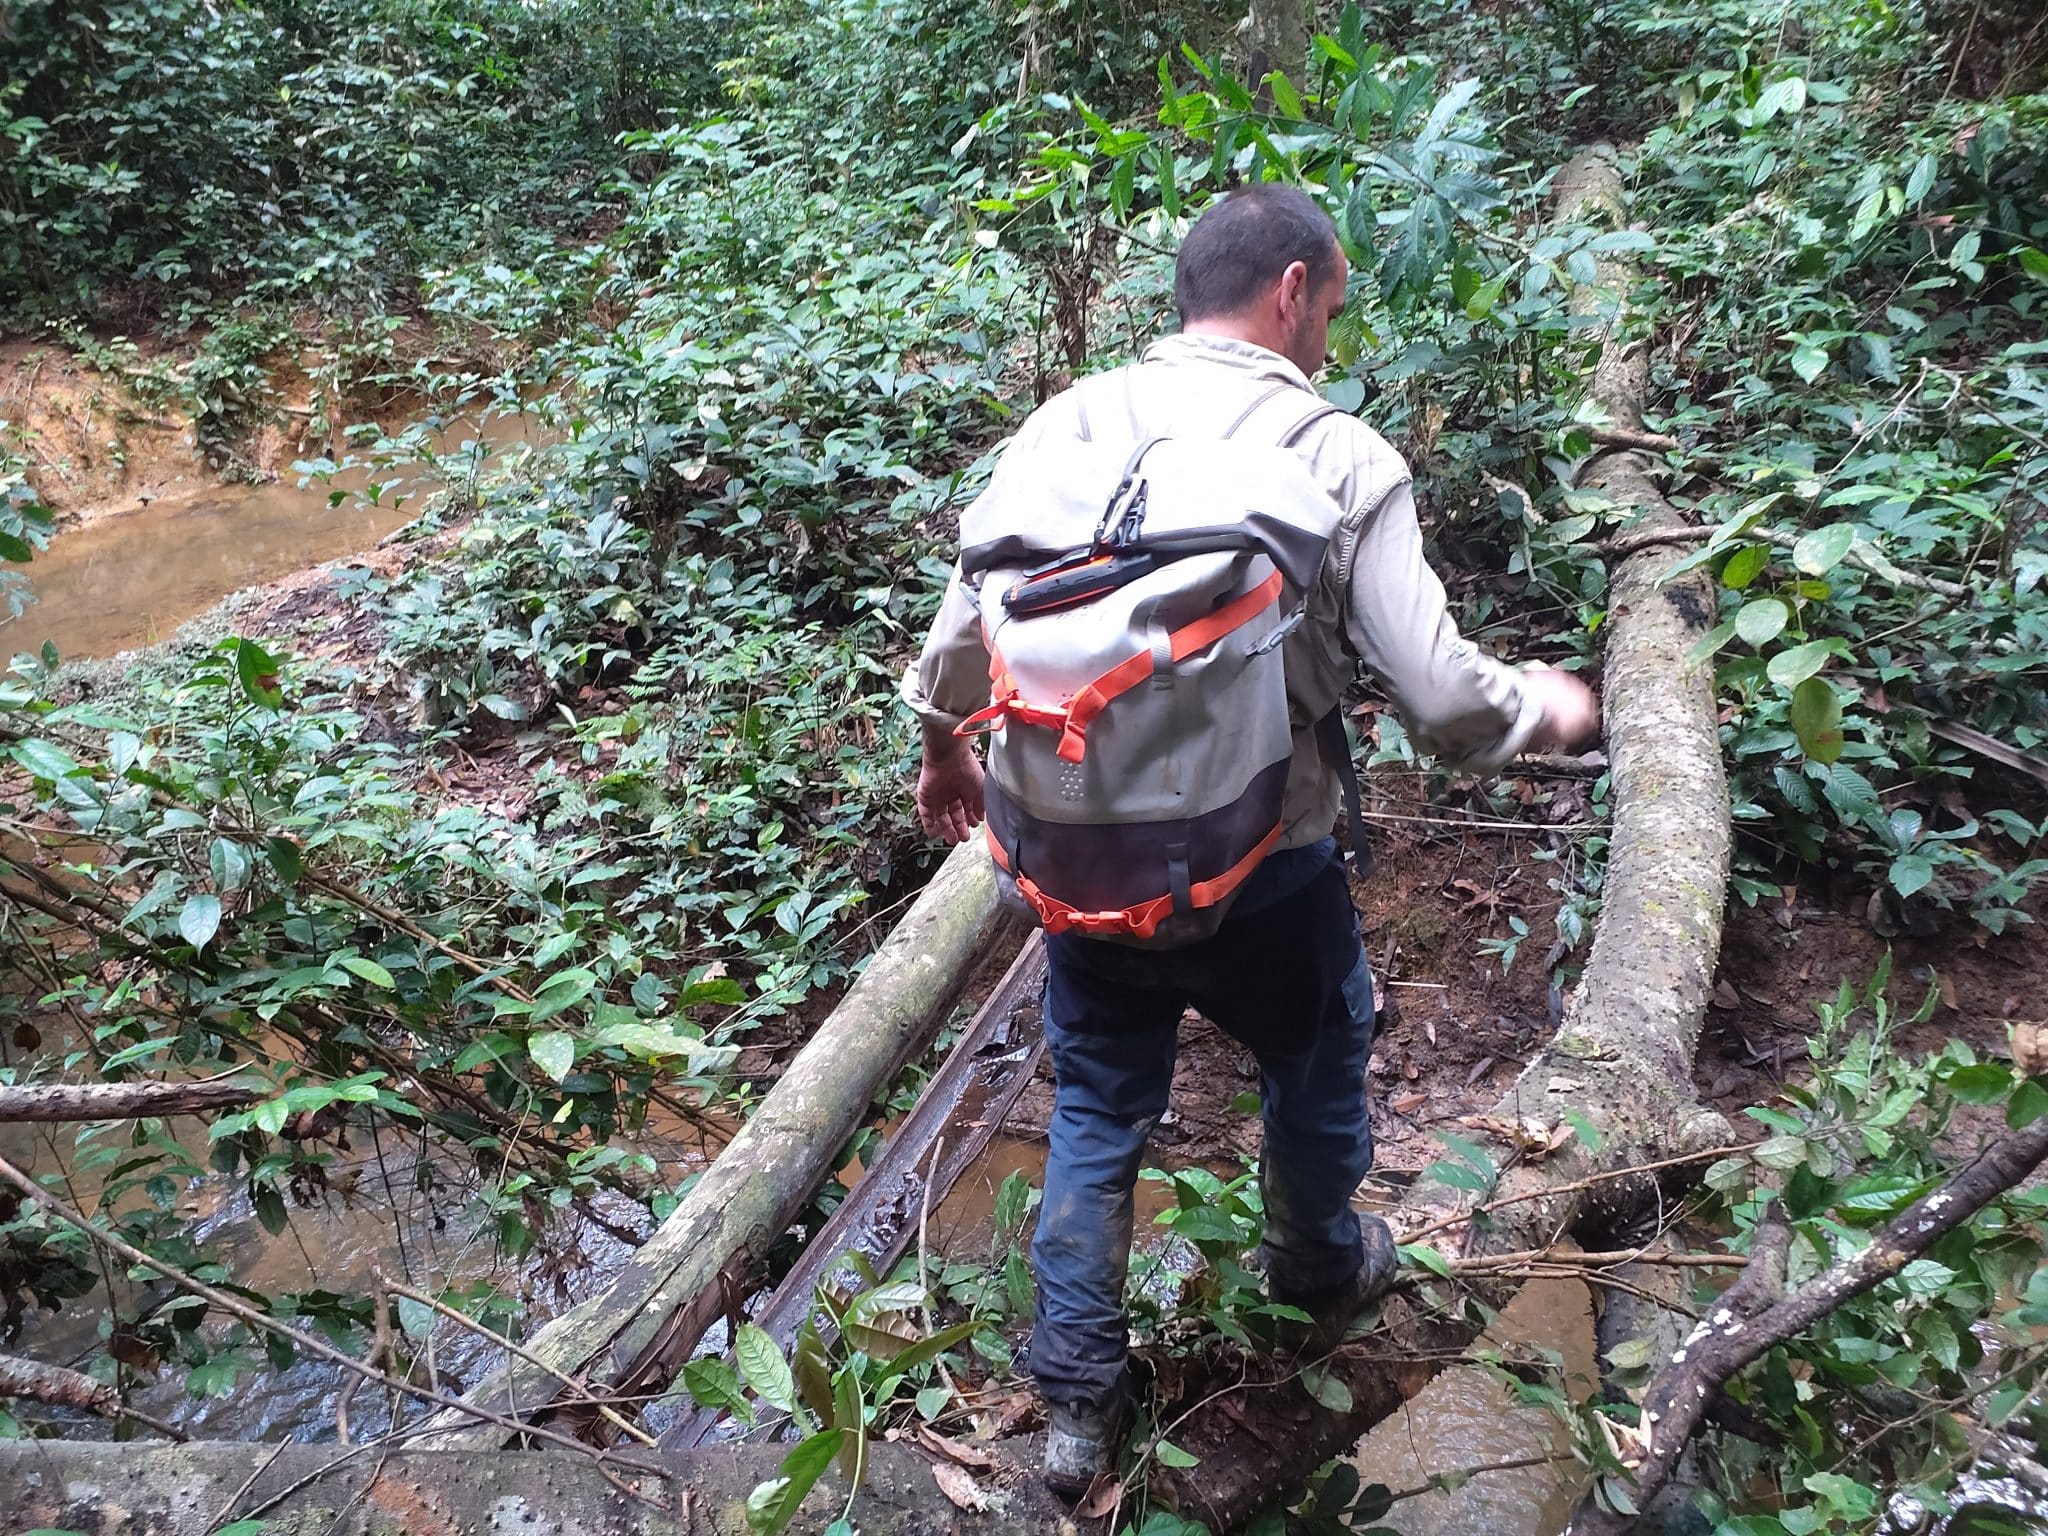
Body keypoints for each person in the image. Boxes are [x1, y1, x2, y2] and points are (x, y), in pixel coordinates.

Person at [901, 183, 1600, 1497]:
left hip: (1081, 865)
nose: (1330, 331)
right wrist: (1550, 709)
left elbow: (959, 640)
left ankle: (1073, 1404)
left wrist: (946, 750)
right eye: (1331, 304)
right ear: (1292, 289)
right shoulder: (1338, 454)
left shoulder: (1068, 421)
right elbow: (1447, 704)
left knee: (1100, 1107)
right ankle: (1319, 1265)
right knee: (1318, 1055)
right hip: (1265, 862)